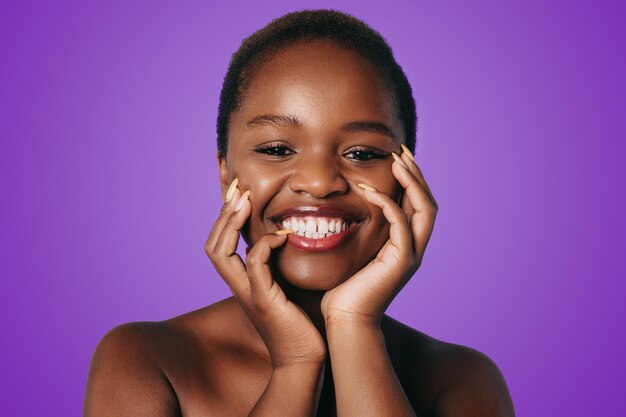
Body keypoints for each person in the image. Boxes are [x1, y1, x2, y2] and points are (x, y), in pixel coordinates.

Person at [83, 9, 515, 417]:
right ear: (224, 175)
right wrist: (296, 365)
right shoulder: (147, 358)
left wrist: (354, 325)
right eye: (276, 149)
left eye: (362, 152)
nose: (319, 181)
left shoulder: (461, 378)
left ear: (408, 179)